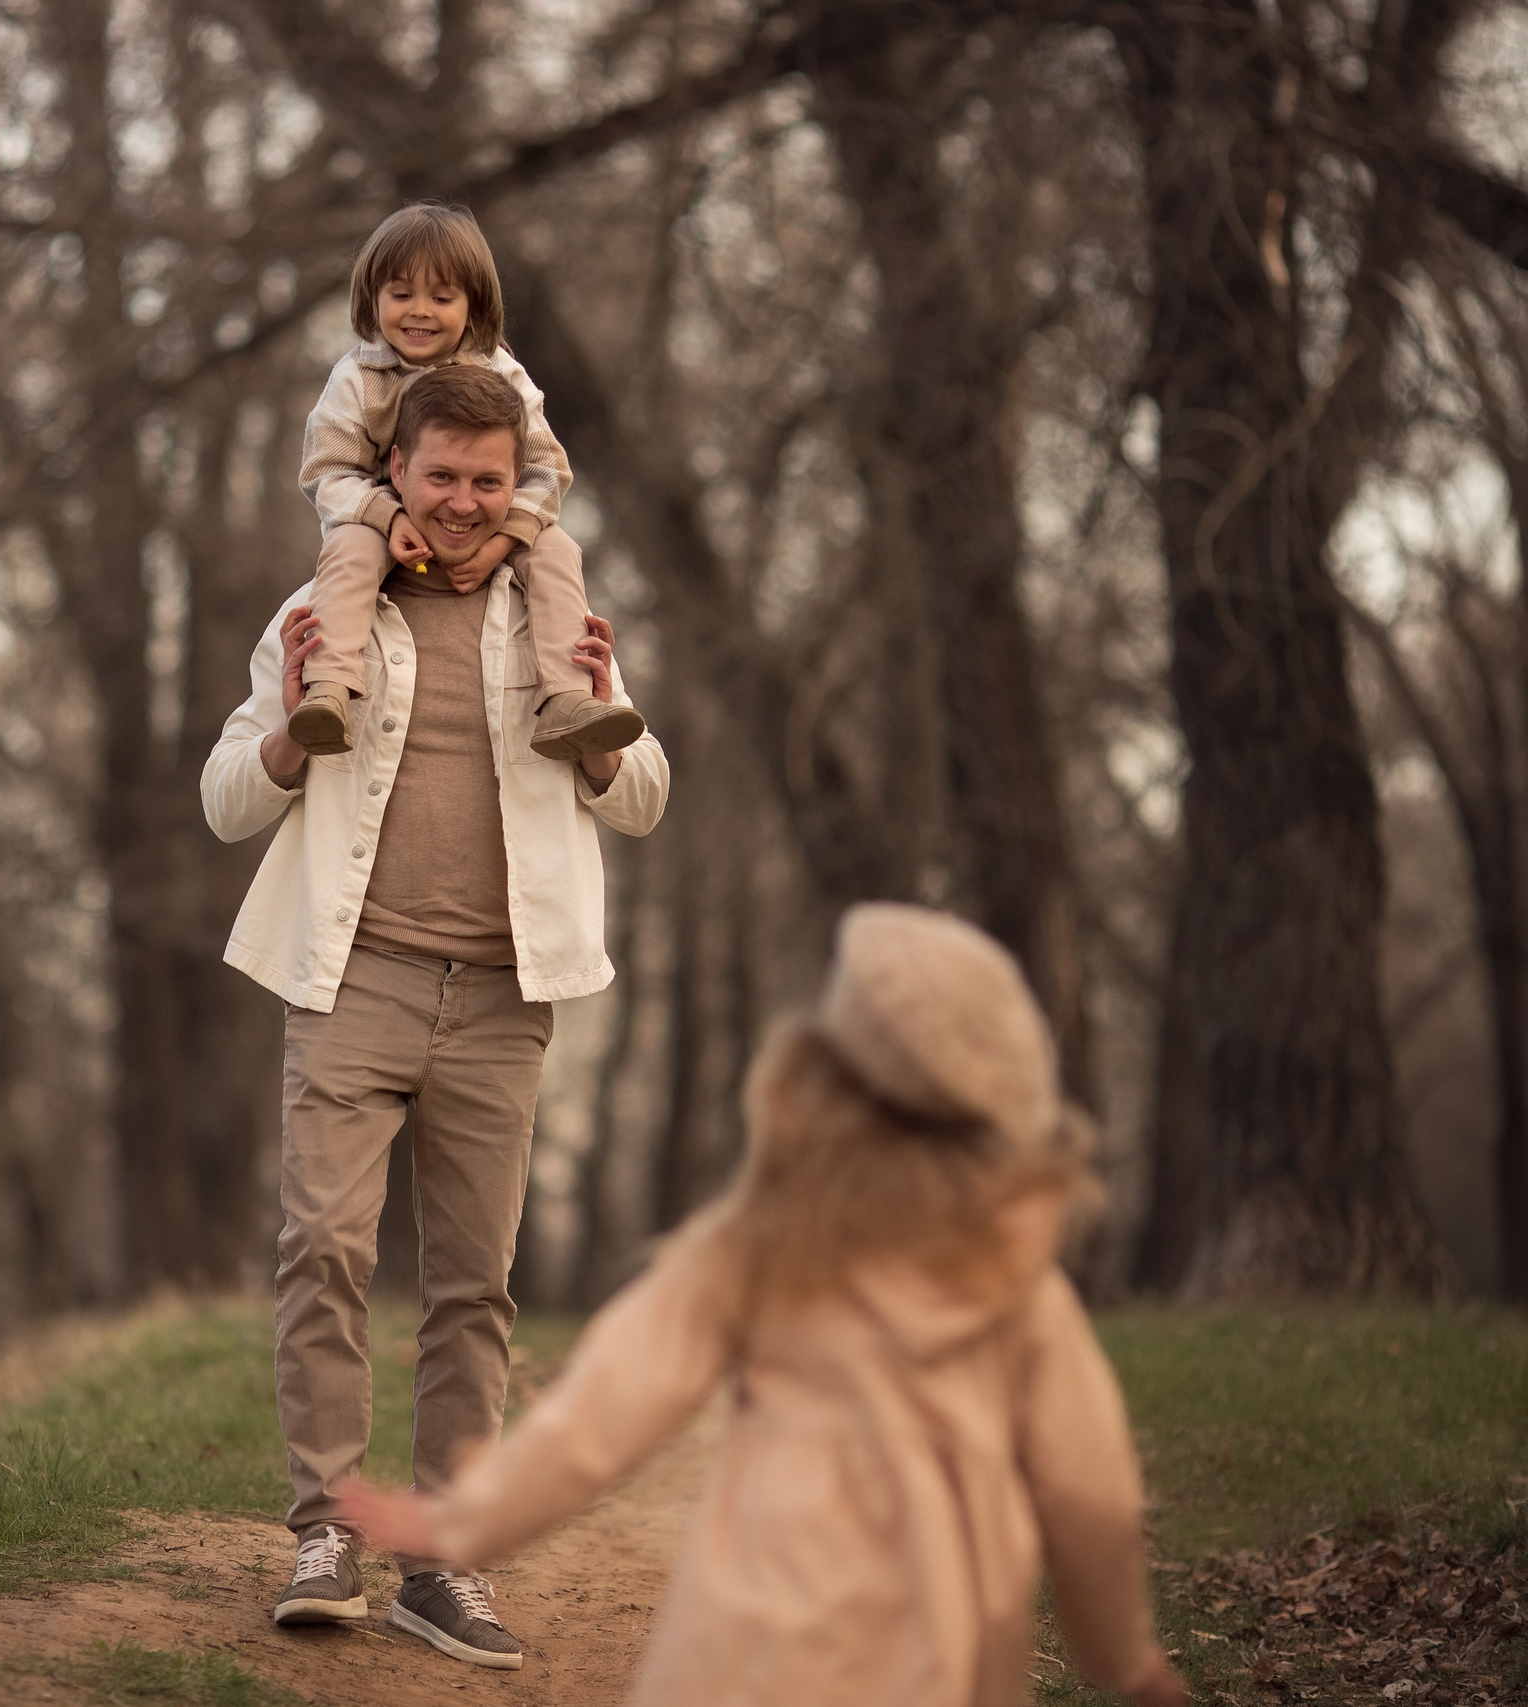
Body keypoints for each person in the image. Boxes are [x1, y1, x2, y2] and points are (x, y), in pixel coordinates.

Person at [337, 904, 1193, 1707]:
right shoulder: (1021, 1290)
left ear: (818, 1077)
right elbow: (1092, 1496)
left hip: (748, 1643)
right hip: (939, 1660)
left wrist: (466, 1520)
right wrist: (1124, 1654)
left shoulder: (760, 1245)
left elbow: (607, 1409)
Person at [201, 361, 668, 1670]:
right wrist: (289, 736)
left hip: (503, 1000)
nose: (463, 501)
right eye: (440, 475)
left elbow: (643, 795)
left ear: (517, 484)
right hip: (352, 980)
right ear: (394, 473)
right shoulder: (325, 607)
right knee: (323, 1253)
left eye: (486, 479)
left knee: (474, 1287)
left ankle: (441, 1562)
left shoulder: (552, 612)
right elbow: (226, 798)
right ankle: (326, 1536)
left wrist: (601, 730)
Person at [288, 201, 643, 767]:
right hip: (384, 525)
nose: (419, 311)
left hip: (489, 525)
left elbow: (547, 470)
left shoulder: (502, 373)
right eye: (401, 294)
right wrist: (388, 516)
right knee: (349, 547)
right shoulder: (357, 378)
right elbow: (326, 470)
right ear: (373, 297)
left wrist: (503, 542)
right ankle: (328, 689)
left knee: (556, 549)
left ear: (473, 304)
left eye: (442, 297)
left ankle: (568, 696)